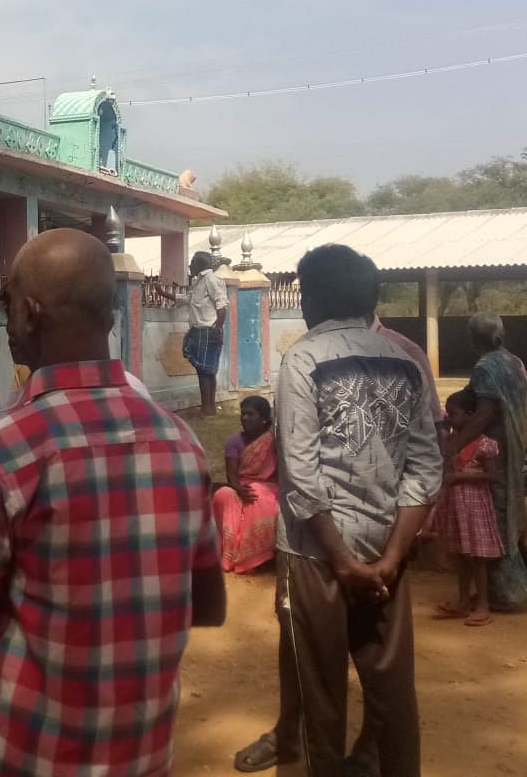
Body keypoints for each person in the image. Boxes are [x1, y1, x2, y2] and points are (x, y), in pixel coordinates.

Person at [0, 228, 226, 776]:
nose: (7, 321)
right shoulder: (182, 444)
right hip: (141, 754)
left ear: (31, 313)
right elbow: (208, 603)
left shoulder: (3, 451)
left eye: (9, 304)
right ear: (110, 316)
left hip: (23, 755)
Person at [273, 244, 441, 777]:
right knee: (392, 689)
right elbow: (426, 467)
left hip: (316, 554)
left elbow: (301, 471)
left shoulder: (302, 358)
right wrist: (392, 556)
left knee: (319, 692)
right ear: (370, 297)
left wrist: (342, 561)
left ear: (312, 298)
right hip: (387, 543)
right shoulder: (406, 361)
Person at [443, 311, 527, 610]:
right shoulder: (515, 361)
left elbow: (484, 413)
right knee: (509, 513)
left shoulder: (485, 365)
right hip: (516, 446)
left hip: (494, 451)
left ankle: (506, 592)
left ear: (473, 338)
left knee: (492, 519)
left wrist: (452, 445)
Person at [433, 388, 504, 627]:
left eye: (453, 414)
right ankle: (463, 601)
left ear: (471, 414)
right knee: (461, 556)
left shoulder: (484, 445)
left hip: (474, 507)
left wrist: (461, 478)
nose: (449, 419)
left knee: (477, 558)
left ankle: (482, 605)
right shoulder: (453, 441)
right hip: (455, 506)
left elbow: (491, 476)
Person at [156, 251, 228, 416]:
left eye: (192, 263)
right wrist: (163, 293)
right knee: (206, 371)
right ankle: (208, 408)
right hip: (201, 330)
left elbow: (221, 305)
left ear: (200, 265)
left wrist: (218, 327)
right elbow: (186, 299)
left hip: (208, 330)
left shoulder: (211, 280)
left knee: (205, 371)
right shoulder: (199, 282)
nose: (190, 266)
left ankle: (207, 409)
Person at [214, 395, 280, 573]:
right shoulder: (234, 441)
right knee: (223, 495)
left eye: (250, 414)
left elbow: (280, 472)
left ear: (264, 418)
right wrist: (239, 489)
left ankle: (252, 557)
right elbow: (232, 475)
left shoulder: (273, 441)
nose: (244, 418)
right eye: (243, 414)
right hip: (240, 485)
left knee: (257, 494)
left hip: (267, 485)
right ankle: (228, 555)